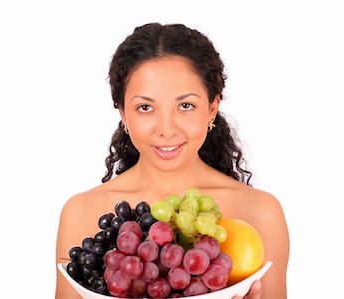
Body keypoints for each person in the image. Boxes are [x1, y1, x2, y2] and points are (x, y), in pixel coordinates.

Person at [55, 22, 289, 299]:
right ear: (123, 114)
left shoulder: (261, 212)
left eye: (185, 105)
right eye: (145, 107)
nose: (166, 129)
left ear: (212, 109)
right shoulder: (80, 211)